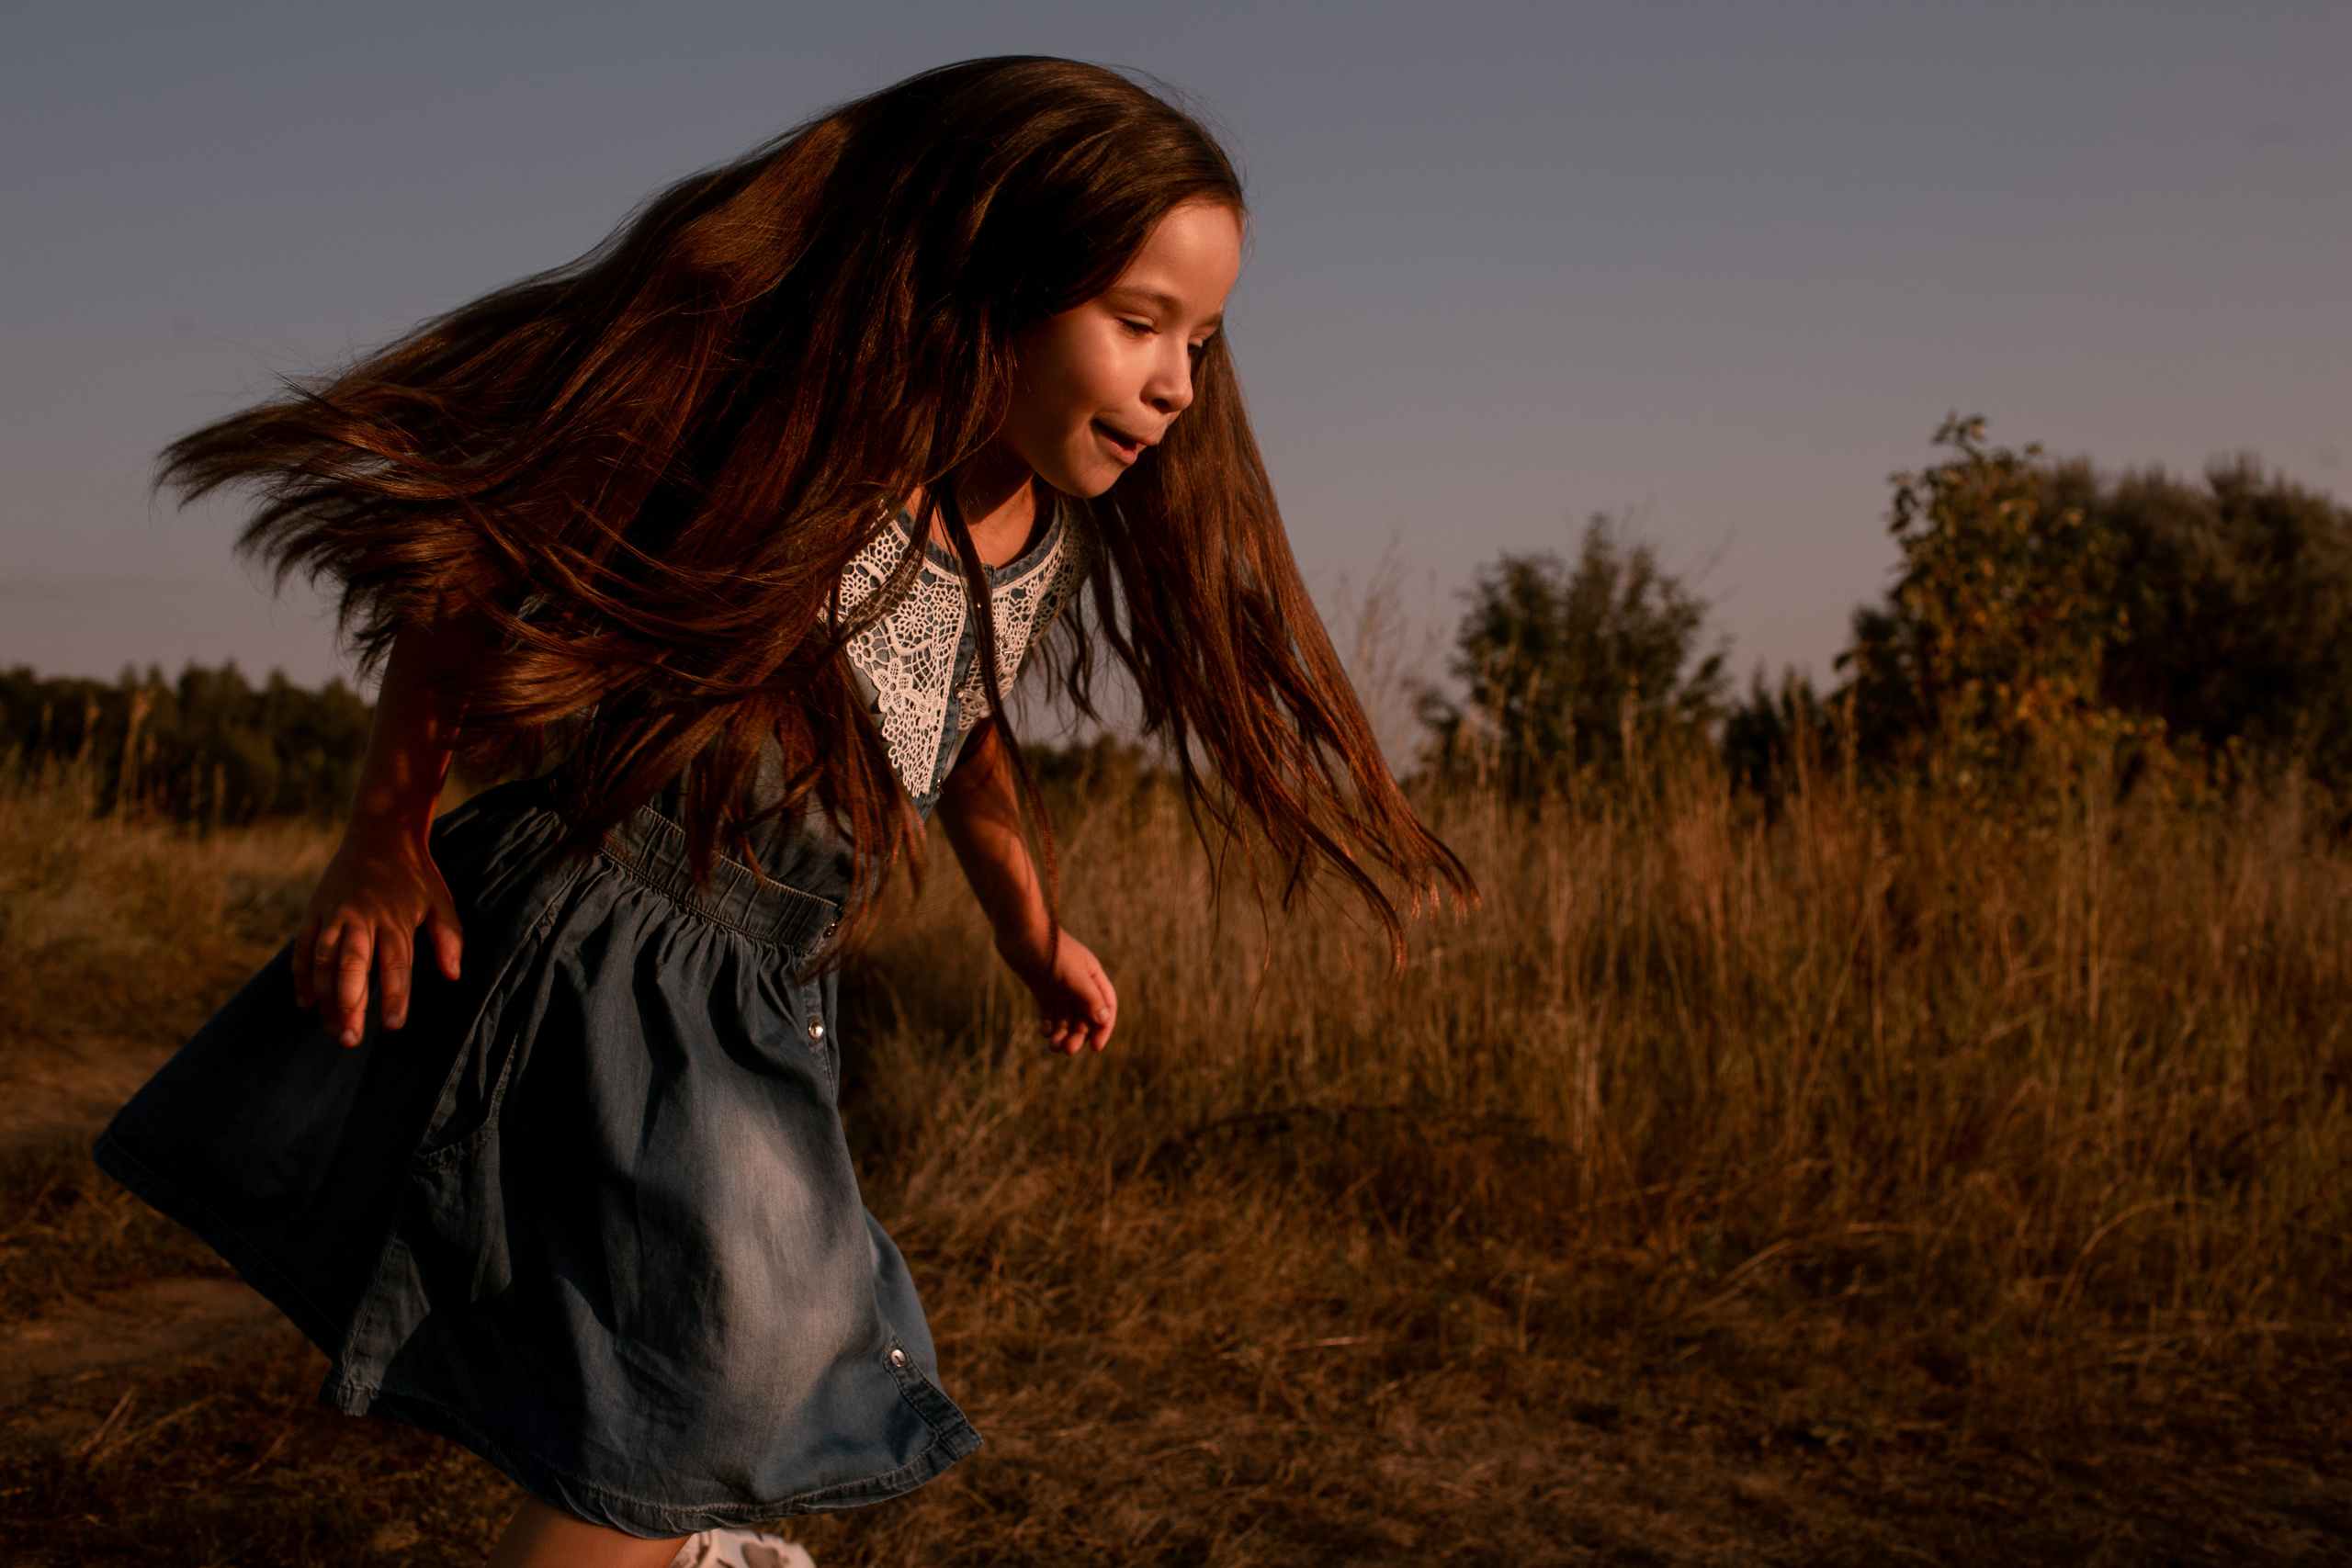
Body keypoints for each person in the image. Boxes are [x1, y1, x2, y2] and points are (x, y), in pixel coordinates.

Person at [96, 55, 1472, 1567]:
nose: (1177, 385)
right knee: (713, 1366)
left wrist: (1032, 930)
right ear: (995, 285)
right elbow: (474, 568)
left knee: (726, 1347)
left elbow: (957, 730)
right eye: (1138, 323)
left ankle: (678, 1537)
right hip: (627, 937)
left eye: (1200, 341)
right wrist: (386, 831)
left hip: (768, 982)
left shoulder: (1041, 533)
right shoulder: (805, 449)